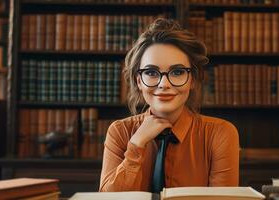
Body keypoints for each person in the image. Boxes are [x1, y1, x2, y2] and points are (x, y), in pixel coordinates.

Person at [99, 18, 239, 192]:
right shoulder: (120, 132)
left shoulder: (219, 134)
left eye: (178, 72)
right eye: (151, 72)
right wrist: (136, 144)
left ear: (192, 80)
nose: (164, 84)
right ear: (139, 81)